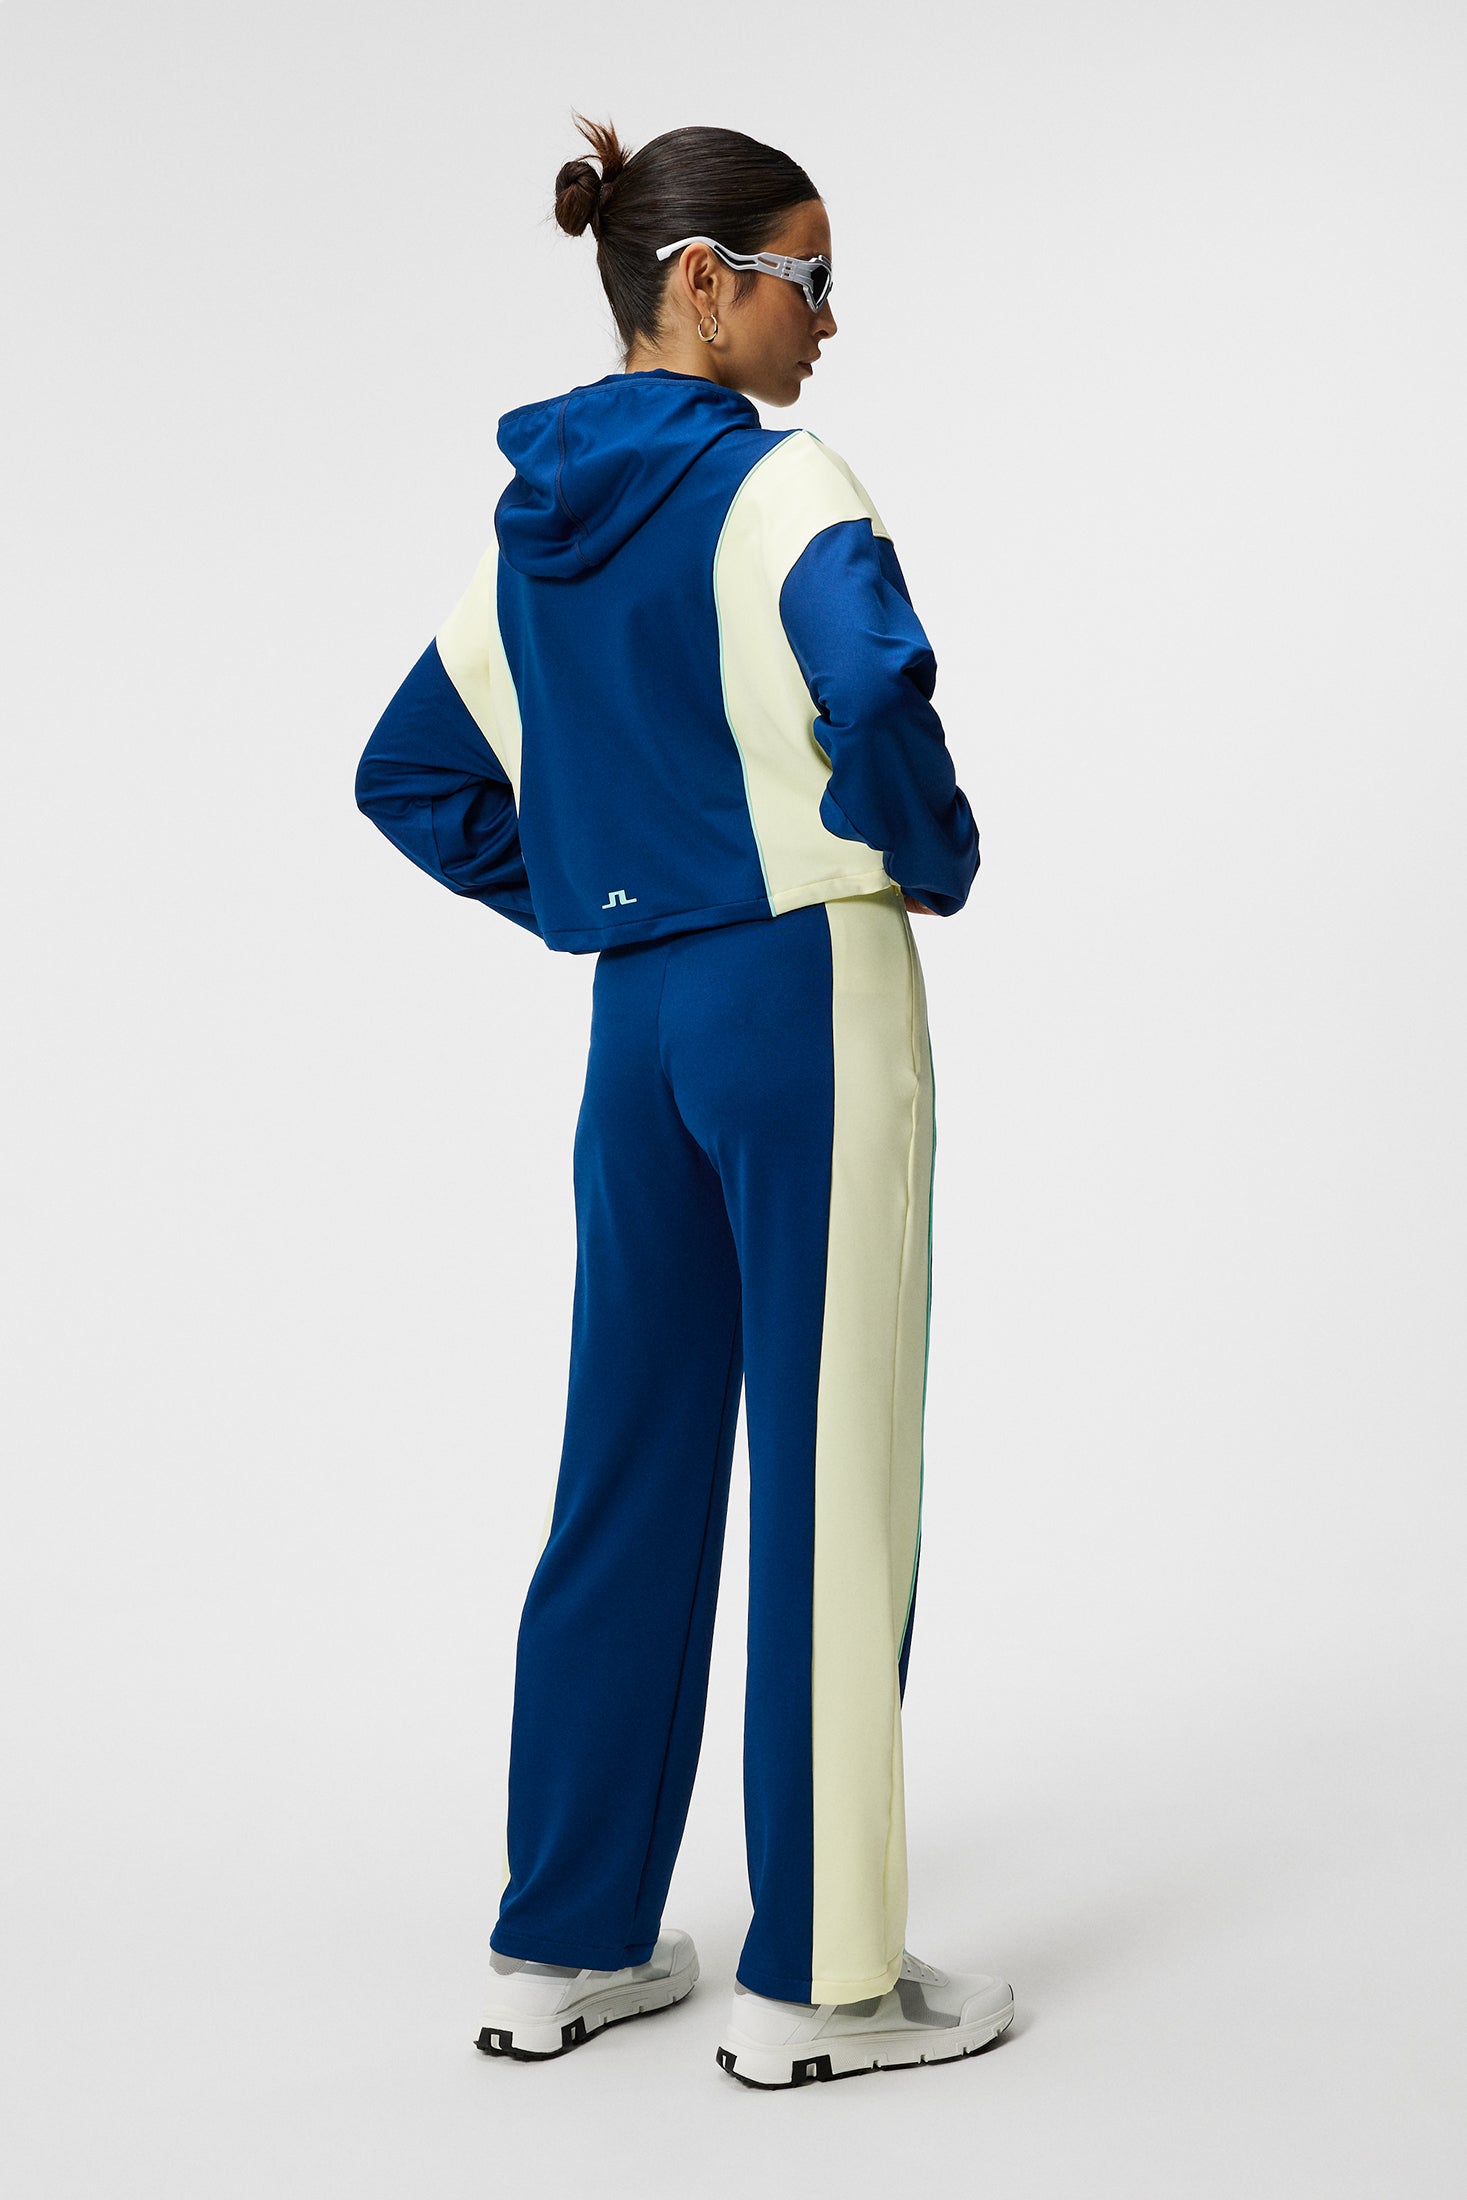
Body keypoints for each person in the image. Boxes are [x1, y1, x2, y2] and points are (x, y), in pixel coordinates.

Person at [354, 113, 1015, 2090]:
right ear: (704, 285)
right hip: (803, 987)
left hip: (634, 1021)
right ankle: (822, 1979)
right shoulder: (781, 480)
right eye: (809, 280)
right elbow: (869, 685)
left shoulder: (539, 530)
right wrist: (929, 854)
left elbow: (413, 774)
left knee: (626, 1462)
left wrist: (596, 887)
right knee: (834, 1474)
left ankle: (561, 1942)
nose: (830, 321)